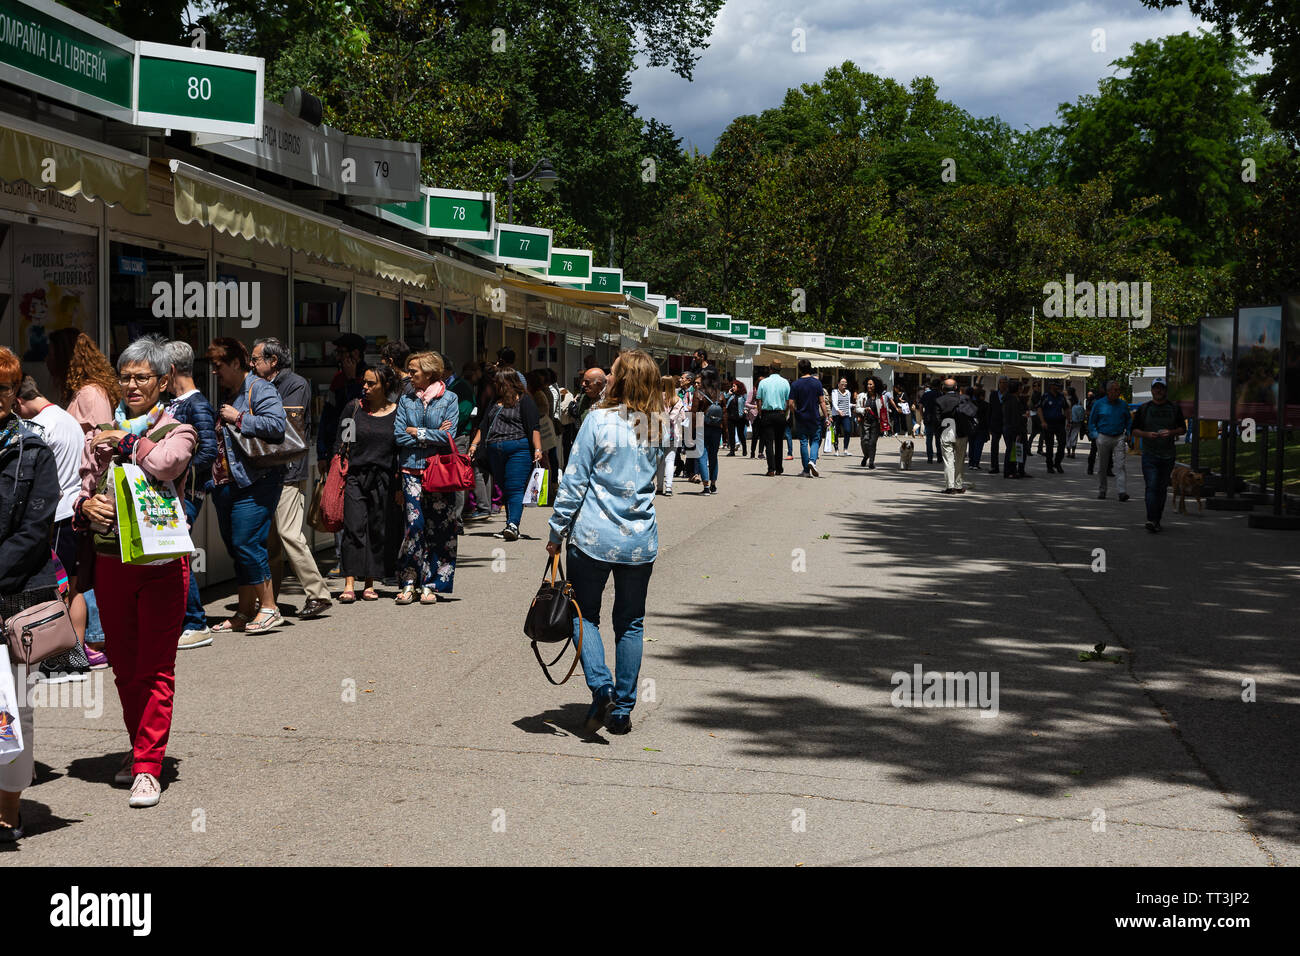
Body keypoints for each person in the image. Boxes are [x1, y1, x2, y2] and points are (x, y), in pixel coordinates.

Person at [74, 335, 197, 808]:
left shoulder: (177, 428)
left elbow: (167, 466)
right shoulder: (98, 434)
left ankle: (149, 767)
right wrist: (89, 506)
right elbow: (79, 488)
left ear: (163, 381)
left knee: (156, 667)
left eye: (142, 377)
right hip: (110, 563)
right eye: (124, 377)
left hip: (163, 564)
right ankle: (141, 749)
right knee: (124, 666)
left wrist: (125, 440)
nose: (131, 385)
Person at [547, 350, 663, 737]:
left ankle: (602, 687)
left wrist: (555, 531)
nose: (608, 379)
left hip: (594, 537)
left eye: (612, 373)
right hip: (639, 540)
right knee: (631, 622)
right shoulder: (658, 425)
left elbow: (575, 480)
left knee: (583, 614)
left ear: (623, 379)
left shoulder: (596, 420)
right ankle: (623, 710)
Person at [0, 347, 62, 839]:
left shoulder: (32, 450)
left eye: (2, 389)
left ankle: (8, 808)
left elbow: (35, 528)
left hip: (15, 596)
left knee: (13, 707)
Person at [14, 376, 104, 676]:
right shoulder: (66, 418)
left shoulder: (40, 427)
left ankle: (63, 656)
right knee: (77, 586)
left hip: (57, 517)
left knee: (58, 590)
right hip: (76, 515)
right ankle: (76, 653)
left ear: (18, 401)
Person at [206, 337, 288, 633]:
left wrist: (239, 417)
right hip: (227, 483)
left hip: (256, 480)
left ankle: (269, 607)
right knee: (236, 547)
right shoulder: (233, 390)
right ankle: (243, 611)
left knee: (247, 543)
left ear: (236, 363)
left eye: (219, 365)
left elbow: (277, 425)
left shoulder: (260, 388)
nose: (215, 372)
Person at [254, 338, 332, 620]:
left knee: (289, 534)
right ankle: (269, 602)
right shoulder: (259, 384)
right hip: (265, 470)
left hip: (288, 471)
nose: (252, 365)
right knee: (270, 542)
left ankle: (318, 593)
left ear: (273, 361)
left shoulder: (295, 384)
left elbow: (283, 427)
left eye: (256, 359)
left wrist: (248, 418)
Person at [393, 351, 460, 605]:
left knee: (441, 526)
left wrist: (417, 432)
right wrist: (431, 433)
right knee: (415, 526)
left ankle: (431, 584)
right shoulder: (406, 399)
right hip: (411, 469)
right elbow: (399, 435)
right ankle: (409, 581)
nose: (409, 376)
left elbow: (449, 436)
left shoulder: (450, 398)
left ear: (430, 372)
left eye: (414, 371)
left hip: (439, 470)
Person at [335, 364, 399, 600]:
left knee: (376, 528)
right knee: (353, 527)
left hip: (384, 478)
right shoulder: (354, 409)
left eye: (372, 383)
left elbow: (400, 448)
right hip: (355, 476)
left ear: (386, 386)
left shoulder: (397, 412)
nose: (365, 387)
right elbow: (341, 442)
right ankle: (349, 582)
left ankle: (370, 583)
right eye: (364, 382)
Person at [469, 369, 542, 542]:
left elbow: (534, 427)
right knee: (505, 487)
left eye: (497, 382)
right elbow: (484, 424)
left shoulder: (524, 400)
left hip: (519, 449)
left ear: (506, 382)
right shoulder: (495, 402)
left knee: (515, 487)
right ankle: (511, 524)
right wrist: (474, 444)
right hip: (495, 451)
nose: (494, 385)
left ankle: (513, 525)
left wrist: (538, 449)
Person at [1131, 379, 1186, 532]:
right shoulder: (1144, 408)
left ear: (1165, 391)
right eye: (1156, 388)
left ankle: (1157, 519)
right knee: (1151, 486)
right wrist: (1147, 434)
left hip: (1168, 455)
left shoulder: (1174, 408)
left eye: (1161, 388)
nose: (1158, 391)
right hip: (1150, 454)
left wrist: (1172, 432)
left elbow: (1183, 429)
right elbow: (1134, 431)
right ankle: (1151, 519)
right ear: (1151, 390)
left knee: (1161, 488)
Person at [317, 332, 368, 466]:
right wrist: (321, 453)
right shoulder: (338, 379)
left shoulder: (370, 378)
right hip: (335, 445)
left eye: (341, 352)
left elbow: (358, 411)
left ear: (355, 354)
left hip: (359, 448)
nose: (338, 357)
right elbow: (326, 416)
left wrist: (352, 381)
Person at [1088, 380, 1132, 502]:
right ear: (1108, 391)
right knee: (1103, 465)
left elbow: (1128, 420)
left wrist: (1128, 432)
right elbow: (1092, 421)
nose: (1118, 392)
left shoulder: (1123, 404)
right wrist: (1096, 435)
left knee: (1121, 465)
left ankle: (1122, 491)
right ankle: (1102, 490)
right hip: (1103, 436)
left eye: (1118, 390)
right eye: (1115, 390)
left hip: (1119, 437)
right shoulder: (1099, 404)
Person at [789, 359, 829, 477]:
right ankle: (812, 460)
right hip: (814, 416)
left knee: (803, 442)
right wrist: (826, 416)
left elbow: (791, 403)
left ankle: (806, 470)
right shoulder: (817, 383)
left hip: (801, 417)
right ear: (811, 369)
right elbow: (822, 402)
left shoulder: (795, 384)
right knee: (816, 440)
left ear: (800, 370)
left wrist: (795, 412)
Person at [935, 378, 976, 493]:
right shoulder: (964, 399)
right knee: (960, 460)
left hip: (947, 431)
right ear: (956, 387)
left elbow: (937, 419)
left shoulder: (939, 400)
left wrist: (939, 430)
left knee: (948, 460)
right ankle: (958, 486)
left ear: (943, 388)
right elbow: (971, 414)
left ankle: (950, 487)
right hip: (962, 433)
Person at [693, 369, 725, 495]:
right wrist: (725, 433)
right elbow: (725, 415)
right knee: (713, 456)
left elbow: (694, 414)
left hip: (702, 427)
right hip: (717, 428)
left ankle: (705, 486)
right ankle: (713, 485)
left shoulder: (698, 393)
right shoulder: (720, 394)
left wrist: (692, 430)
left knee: (702, 455)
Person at [756, 361, 791, 476]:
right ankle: (779, 468)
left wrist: (760, 413)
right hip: (780, 414)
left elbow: (759, 399)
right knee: (779, 442)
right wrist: (784, 413)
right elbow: (787, 401)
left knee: (768, 442)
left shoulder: (763, 382)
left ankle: (771, 469)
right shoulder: (785, 382)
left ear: (770, 369)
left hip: (767, 414)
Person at [655, 374, 683, 495]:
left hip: (658, 432)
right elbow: (681, 417)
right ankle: (669, 487)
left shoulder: (656, 398)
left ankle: (659, 487)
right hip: (672, 432)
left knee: (660, 461)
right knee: (670, 460)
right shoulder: (677, 399)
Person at [855, 377, 889, 468]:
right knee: (864, 441)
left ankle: (871, 462)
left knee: (872, 442)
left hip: (876, 423)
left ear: (875, 385)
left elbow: (884, 411)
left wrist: (886, 424)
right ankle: (866, 456)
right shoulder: (862, 396)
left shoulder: (881, 397)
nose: (869, 386)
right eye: (868, 384)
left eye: (871, 384)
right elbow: (857, 408)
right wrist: (864, 409)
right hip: (864, 421)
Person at [1038, 380, 1069, 474]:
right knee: (1049, 446)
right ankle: (1049, 465)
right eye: (1056, 385)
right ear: (1051, 386)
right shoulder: (1045, 396)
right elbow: (1039, 409)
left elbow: (1066, 408)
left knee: (1062, 443)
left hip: (1060, 423)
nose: (1058, 387)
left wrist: (1069, 421)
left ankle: (1058, 463)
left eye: (1059, 385)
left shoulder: (1061, 397)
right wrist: (1042, 421)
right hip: (1048, 423)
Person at [1001, 381, 1028, 479]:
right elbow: (1014, 417)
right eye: (1020, 388)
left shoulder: (1013, 399)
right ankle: (1009, 471)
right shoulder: (1012, 400)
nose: (1021, 390)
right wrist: (1017, 431)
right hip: (1012, 428)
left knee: (1015, 450)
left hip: (1012, 427)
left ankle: (1014, 470)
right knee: (1012, 450)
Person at [968, 386, 990, 471]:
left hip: (971, 427)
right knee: (978, 446)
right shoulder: (986, 405)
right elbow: (987, 418)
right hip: (982, 428)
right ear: (982, 396)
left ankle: (971, 463)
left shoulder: (970, 404)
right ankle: (976, 463)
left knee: (971, 446)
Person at [831, 378, 854, 456]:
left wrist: (854, 405)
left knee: (847, 431)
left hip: (846, 415)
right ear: (838, 384)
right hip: (837, 415)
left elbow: (848, 404)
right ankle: (836, 450)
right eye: (842, 382)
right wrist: (838, 411)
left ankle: (845, 449)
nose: (844, 384)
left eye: (845, 382)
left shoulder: (848, 392)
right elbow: (834, 403)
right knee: (836, 432)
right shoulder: (835, 392)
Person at [920, 380, 941, 463]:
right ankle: (939, 457)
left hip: (928, 418)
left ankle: (930, 458)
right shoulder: (941, 395)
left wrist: (923, 416)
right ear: (939, 386)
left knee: (929, 439)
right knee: (938, 439)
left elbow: (921, 406)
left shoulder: (926, 394)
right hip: (938, 419)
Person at [987, 380, 1006, 474]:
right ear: (998, 384)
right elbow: (990, 409)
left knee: (1010, 446)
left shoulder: (1010, 395)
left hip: (1007, 423)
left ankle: (1010, 467)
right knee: (994, 446)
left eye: (1005, 382)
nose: (1003, 384)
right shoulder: (993, 395)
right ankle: (994, 466)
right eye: (1001, 382)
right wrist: (989, 425)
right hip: (995, 424)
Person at [725, 380, 748, 455]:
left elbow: (746, 404)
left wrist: (745, 410)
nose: (733, 387)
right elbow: (724, 399)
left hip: (740, 417)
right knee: (731, 434)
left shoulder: (743, 395)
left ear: (739, 387)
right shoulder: (731, 395)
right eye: (732, 386)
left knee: (740, 434)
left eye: (734, 386)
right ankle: (732, 451)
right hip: (731, 417)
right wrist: (729, 393)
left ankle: (744, 449)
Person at [1066, 387, 1085, 458]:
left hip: (1069, 420)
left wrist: (1068, 420)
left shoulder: (1067, 401)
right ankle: (1073, 452)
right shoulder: (1078, 401)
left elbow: (1066, 411)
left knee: (1068, 435)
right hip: (1078, 421)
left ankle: (1068, 452)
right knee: (1074, 435)